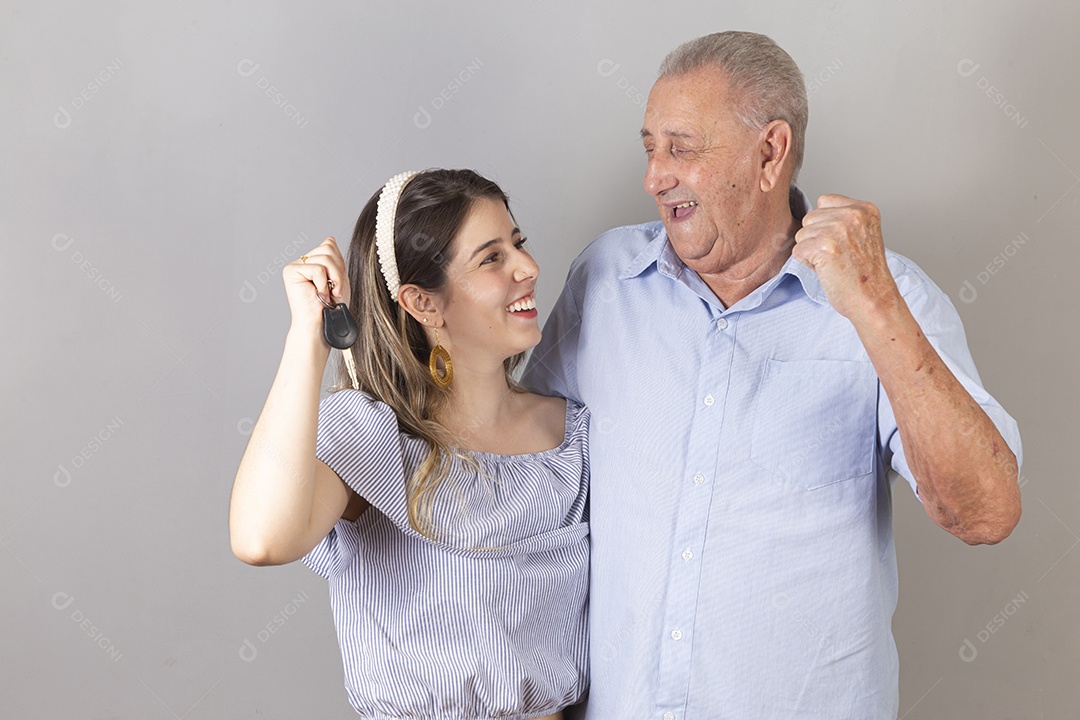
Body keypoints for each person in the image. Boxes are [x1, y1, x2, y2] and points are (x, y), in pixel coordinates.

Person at [523, 31, 1022, 719]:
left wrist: (873, 305)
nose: (654, 176)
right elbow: (524, 477)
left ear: (770, 152)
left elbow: (985, 512)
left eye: (682, 147)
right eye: (650, 147)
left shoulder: (890, 296)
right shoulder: (605, 279)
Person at [230, 168, 590, 720]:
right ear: (424, 304)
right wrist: (308, 335)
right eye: (491, 258)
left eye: (518, 244)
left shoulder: (575, 439)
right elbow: (261, 540)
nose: (530, 268)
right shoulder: (371, 438)